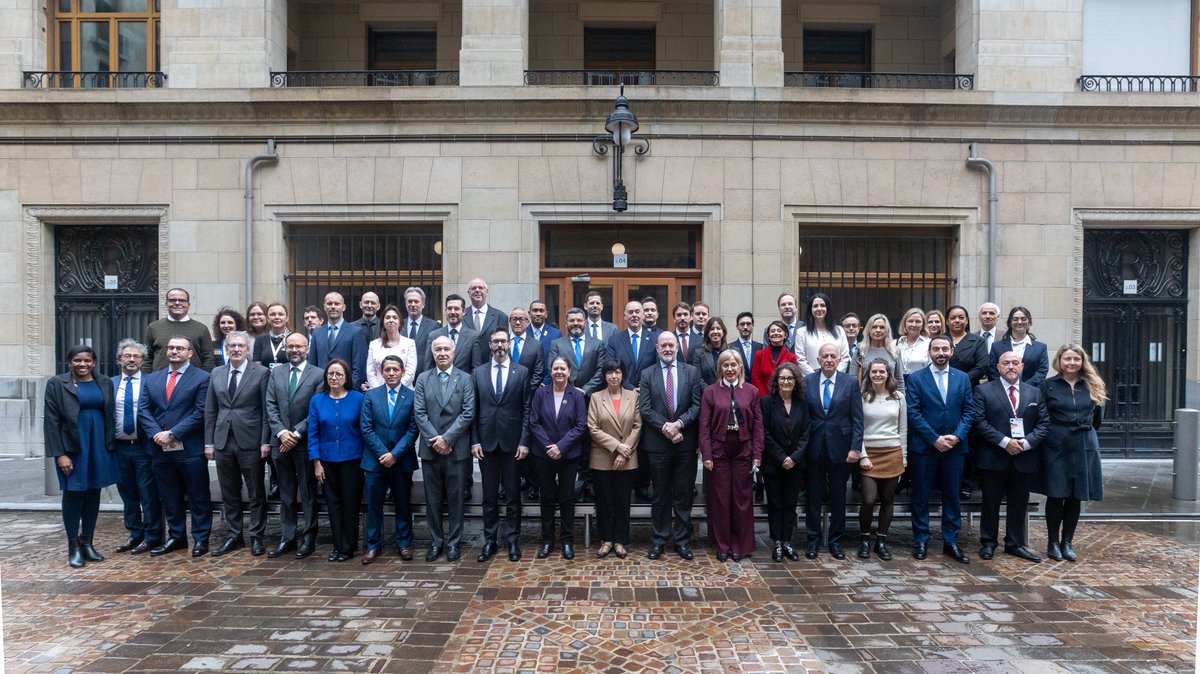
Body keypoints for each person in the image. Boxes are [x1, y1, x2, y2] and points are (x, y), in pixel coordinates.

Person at [972, 350, 1050, 563]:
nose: (1011, 366)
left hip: (1024, 458)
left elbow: (1044, 423)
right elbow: (979, 422)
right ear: (998, 367)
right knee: (991, 503)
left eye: (1015, 362)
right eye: (1006, 363)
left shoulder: (1034, 392)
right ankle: (988, 542)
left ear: (1022, 366)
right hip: (994, 456)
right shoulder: (983, 390)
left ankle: (1015, 543)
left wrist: (1026, 443)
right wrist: (1005, 442)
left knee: (1019, 503)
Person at [137, 336, 212, 557]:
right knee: (169, 496)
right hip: (159, 449)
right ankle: (177, 537)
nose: (174, 351)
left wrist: (173, 433)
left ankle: (201, 539)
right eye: (171, 347)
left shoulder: (202, 378)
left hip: (190, 448)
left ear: (190, 353)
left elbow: (200, 412)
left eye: (180, 348)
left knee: (198, 496)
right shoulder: (153, 378)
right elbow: (143, 410)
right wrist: (157, 434)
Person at [44, 344, 118, 567]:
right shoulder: (57, 384)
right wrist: (60, 454)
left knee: (93, 492)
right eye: (77, 360)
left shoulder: (104, 382)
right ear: (69, 362)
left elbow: (110, 414)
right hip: (72, 447)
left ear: (94, 362)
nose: (82, 364)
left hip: (99, 445)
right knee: (73, 493)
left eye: (87, 360)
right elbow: (51, 421)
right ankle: (73, 546)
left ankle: (88, 542)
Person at [906, 334, 975, 564]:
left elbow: (969, 411)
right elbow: (913, 412)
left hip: (955, 448)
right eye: (936, 349)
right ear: (929, 352)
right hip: (925, 447)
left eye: (945, 349)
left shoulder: (962, 378)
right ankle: (921, 540)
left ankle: (951, 540)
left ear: (952, 351)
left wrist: (957, 436)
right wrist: (934, 438)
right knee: (921, 495)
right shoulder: (916, 378)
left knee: (952, 495)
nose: (941, 353)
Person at [1035, 344, 1107, 563]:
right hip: (1056, 444)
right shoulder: (1047, 385)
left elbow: (1097, 419)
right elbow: (1040, 415)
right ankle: (1052, 542)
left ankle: (1067, 542)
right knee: (1056, 494)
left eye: (1076, 359)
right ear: (1059, 361)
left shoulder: (1093, 385)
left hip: (1083, 443)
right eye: (1067, 358)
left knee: (1076, 495)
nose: (1072, 363)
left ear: (1082, 361)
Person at [204, 331, 271, 557]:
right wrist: (209, 442)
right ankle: (234, 535)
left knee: (255, 492)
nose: (236, 349)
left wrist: (265, 441)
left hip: (251, 440)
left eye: (241, 345)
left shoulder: (261, 373)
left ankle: (256, 536)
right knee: (229, 491)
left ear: (248, 349)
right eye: (232, 345)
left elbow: (266, 410)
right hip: (223, 440)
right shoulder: (216, 373)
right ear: (226, 349)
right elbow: (210, 410)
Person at [638, 331, 704, 560]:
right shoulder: (647, 374)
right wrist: (666, 428)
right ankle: (659, 540)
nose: (667, 349)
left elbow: (696, 406)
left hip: (685, 443)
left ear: (677, 347)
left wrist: (679, 424)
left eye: (671, 345)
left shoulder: (691, 372)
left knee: (683, 495)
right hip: (657, 444)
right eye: (663, 345)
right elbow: (645, 408)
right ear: (657, 348)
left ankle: (682, 541)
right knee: (660, 495)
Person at [470, 328, 533, 563]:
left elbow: (527, 409)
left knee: (513, 495)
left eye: (503, 341)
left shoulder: (522, 372)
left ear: (509, 344)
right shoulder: (478, 372)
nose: (499, 345)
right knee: (489, 496)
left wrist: (524, 441)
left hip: (513, 444)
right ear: (490, 344)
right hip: (486, 444)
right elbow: (473, 410)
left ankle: (513, 541)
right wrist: (474, 440)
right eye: (495, 342)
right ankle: (490, 541)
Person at [413, 335, 476, 562]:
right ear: (432, 353)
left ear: (453, 352)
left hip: (456, 450)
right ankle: (436, 541)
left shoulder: (466, 379)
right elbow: (419, 413)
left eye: (446, 349)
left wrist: (447, 439)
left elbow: (468, 412)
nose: (442, 353)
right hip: (431, 451)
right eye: (438, 349)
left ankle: (454, 543)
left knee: (456, 500)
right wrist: (435, 440)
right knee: (433, 500)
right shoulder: (423, 378)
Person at [699, 350, 763, 561]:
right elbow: (704, 426)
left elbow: (758, 426)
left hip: (743, 449)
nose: (729, 369)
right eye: (725, 365)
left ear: (740, 367)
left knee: (741, 499)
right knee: (720, 499)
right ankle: (722, 544)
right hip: (719, 449)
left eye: (733, 365)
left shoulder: (752, 391)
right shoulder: (710, 392)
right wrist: (706, 454)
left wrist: (757, 454)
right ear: (720, 368)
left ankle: (740, 545)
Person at [264, 332, 324, 559]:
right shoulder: (276, 373)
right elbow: (270, 405)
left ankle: (309, 538)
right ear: (285, 349)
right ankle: (287, 538)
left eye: (299, 346)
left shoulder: (318, 374)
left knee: (308, 494)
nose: (294, 350)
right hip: (280, 443)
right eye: (290, 346)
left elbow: (316, 409)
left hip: (304, 443)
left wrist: (297, 433)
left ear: (307, 348)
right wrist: (281, 432)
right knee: (286, 494)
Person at [801, 343, 864, 560]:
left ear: (839, 359)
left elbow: (857, 419)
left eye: (833, 356)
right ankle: (813, 540)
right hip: (814, 447)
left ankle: (836, 541)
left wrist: (855, 448)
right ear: (818, 360)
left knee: (839, 497)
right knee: (813, 497)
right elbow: (804, 416)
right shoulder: (807, 381)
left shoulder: (850, 382)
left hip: (842, 448)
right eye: (825, 356)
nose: (829, 359)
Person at [360, 355, 419, 564]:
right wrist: (383, 453)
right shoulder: (371, 395)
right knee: (374, 505)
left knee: (403, 503)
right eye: (387, 370)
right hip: (375, 460)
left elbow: (413, 430)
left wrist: (395, 454)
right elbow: (366, 427)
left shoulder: (412, 396)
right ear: (381, 372)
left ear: (402, 372)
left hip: (401, 460)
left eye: (395, 369)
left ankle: (403, 543)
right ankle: (373, 545)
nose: (391, 373)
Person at [308, 359, 365, 562]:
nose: (334, 377)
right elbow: (313, 433)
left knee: (350, 503)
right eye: (330, 374)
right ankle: (337, 545)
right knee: (333, 504)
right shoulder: (317, 400)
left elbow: (364, 429)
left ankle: (349, 547)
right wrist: (316, 462)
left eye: (339, 374)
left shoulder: (358, 398)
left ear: (346, 377)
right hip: (327, 460)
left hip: (353, 460)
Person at [111, 339, 162, 556]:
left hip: (144, 447)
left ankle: (152, 535)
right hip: (119, 448)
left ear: (142, 361)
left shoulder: (152, 382)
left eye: (136, 356)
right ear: (119, 359)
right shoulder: (109, 383)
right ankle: (134, 533)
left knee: (148, 493)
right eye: (127, 356)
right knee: (128, 494)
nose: (132, 359)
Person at [587, 360, 641, 560]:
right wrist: (617, 446)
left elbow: (637, 426)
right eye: (610, 372)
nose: (614, 376)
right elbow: (592, 428)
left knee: (622, 501)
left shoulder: (633, 396)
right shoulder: (595, 397)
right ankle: (606, 540)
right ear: (604, 376)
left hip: (627, 458)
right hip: (602, 457)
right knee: (604, 501)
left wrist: (624, 452)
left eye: (617, 372)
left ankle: (620, 541)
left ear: (623, 375)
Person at [856, 359, 907, 561]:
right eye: (874, 371)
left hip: (892, 452)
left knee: (888, 500)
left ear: (888, 375)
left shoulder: (898, 397)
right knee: (868, 500)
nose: (878, 375)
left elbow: (903, 428)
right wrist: (862, 455)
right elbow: (857, 428)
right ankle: (864, 540)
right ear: (868, 374)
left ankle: (881, 541)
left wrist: (904, 456)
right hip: (869, 453)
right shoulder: (862, 396)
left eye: (882, 372)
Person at [759, 362, 807, 562]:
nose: (786, 381)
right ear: (776, 381)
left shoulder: (803, 403)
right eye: (782, 378)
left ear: (796, 381)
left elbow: (806, 433)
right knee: (775, 504)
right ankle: (777, 542)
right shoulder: (766, 403)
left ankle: (788, 541)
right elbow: (765, 433)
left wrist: (794, 457)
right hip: (773, 463)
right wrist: (782, 457)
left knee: (790, 504)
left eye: (790, 378)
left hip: (796, 464)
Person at [144, 288, 215, 371]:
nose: (177, 303)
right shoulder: (153, 327)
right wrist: (148, 377)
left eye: (182, 300)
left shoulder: (201, 329)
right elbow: (146, 357)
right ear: (166, 304)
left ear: (188, 304)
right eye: (172, 300)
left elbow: (208, 358)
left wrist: (204, 377)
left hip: (193, 378)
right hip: (160, 378)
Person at [308, 291, 367, 387]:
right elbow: (312, 364)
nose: (333, 306)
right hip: (321, 388)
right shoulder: (317, 333)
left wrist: (351, 387)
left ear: (343, 307)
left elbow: (359, 366)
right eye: (329, 303)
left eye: (337, 304)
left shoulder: (355, 332)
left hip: (346, 388)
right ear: (324, 307)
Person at [988, 306, 1049, 386]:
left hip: (1031, 390)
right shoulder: (996, 347)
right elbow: (992, 370)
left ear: (1029, 322)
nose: (1019, 322)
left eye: (1023, 319)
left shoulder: (1040, 348)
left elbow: (1042, 371)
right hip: (1002, 390)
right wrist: (1006, 387)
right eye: (1015, 319)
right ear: (1010, 322)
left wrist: (1025, 388)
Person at [548, 307, 604, 393]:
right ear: (566, 323)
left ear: (585, 323)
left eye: (579, 320)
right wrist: (570, 389)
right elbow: (551, 369)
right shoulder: (556, 344)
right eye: (572, 321)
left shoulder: (598, 344)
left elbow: (601, 370)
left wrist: (586, 389)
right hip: (565, 393)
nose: (575, 323)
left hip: (591, 394)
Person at [604, 300, 656, 389]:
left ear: (643, 315)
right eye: (630, 312)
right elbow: (610, 366)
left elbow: (657, 366)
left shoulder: (654, 339)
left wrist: (645, 385)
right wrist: (629, 388)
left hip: (648, 390)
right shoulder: (614, 340)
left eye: (637, 312)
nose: (634, 315)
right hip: (622, 391)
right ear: (625, 316)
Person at [795, 293, 850, 376]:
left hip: (836, 378)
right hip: (811, 378)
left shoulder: (839, 330)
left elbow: (845, 357)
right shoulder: (801, 332)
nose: (819, 308)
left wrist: (834, 376)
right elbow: (801, 360)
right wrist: (816, 377)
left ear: (828, 308)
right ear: (810, 309)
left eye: (822, 305)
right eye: (815, 306)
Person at [847, 314, 904, 392]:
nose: (878, 330)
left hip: (890, 396)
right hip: (865, 396)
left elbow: (899, 380)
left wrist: (901, 397)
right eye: (874, 327)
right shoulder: (860, 350)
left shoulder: (894, 351)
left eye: (882, 327)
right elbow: (852, 377)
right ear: (869, 330)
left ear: (887, 330)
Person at [366, 304, 418, 389]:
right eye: (387, 317)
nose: (391, 320)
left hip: (403, 391)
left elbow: (410, 373)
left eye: (394, 317)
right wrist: (380, 391)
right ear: (383, 323)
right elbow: (370, 372)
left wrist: (395, 389)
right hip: (378, 392)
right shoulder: (374, 345)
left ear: (400, 323)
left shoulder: (409, 343)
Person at [426, 294, 479, 374]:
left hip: (463, 381)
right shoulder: (433, 336)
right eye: (449, 308)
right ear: (445, 311)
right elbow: (428, 367)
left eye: (456, 309)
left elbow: (476, 368)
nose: (452, 312)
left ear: (464, 312)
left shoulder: (473, 336)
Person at [497, 307, 545, 392]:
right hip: (503, 393)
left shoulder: (536, 345)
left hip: (528, 394)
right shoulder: (500, 342)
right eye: (514, 319)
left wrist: (526, 391)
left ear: (527, 321)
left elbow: (538, 373)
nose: (517, 323)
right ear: (509, 321)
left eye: (521, 319)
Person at [465, 278, 509, 366]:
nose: (477, 290)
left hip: (492, 366)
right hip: (466, 368)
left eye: (480, 288)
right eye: (473, 288)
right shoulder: (462, 316)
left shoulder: (500, 316)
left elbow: (504, 344)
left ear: (487, 291)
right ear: (469, 293)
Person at [751, 320, 798, 396]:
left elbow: (792, 379)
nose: (776, 333)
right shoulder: (759, 354)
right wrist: (764, 397)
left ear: (785, 335)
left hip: (784, 397)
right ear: (768, 336)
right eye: (772, 331)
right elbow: (755, 377)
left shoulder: (791, 357)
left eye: (779, 331)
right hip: (763, 398)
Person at [946, 305, 989, 386]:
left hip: (969, 385)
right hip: (943, 384)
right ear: (947, 322)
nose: (957, 320)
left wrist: (962, 379)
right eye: (952, 318)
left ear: (966, 321)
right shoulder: (939, 340)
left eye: (961, 318)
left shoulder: (978, 341)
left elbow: (982, 366)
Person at [402, 287, 438, 376]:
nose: (413, 304)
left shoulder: (433, 326)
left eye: (416, 301)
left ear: (423, 304)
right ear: (405, 304)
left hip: (424, 375)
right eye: (410, 301)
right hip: (402, 375)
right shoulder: (399, 325)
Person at [527, 299, 562, 383]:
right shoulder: (523, 333)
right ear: (529, 313)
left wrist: (546, 382)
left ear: (546, 314)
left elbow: (557, 360)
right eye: (535, 310)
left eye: (541, 311)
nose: (538, 313)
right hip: (526, 383)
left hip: (548, 383)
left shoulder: (555, 334)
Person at [690, 316, 731, 385]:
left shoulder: (733, 351)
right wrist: (710, 391)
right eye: (711, 329)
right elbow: (698, 379)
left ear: (723, 332)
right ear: (707, 333)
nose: (715, 331)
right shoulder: (698, 354)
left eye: (718, 328)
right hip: (707, 391)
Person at [253, 302, 292, 369]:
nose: (277, 317)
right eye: (272, 314)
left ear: (287, 318)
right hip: (266, 375)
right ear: (267, 318)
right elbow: (257, 367)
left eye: (280, 314)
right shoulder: (260, 339)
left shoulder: (294, 338)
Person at [895, 307, 930, 379]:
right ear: (904, 323)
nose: (914, 325)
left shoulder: (929, 343)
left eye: (918, 321)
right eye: (910, 321)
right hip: (898, 384)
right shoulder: (895, 344)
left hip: (920, 383)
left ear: (923, 325)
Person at [731, 312, 763, 379]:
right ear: (737, 327)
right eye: (742, 324)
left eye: (748, 324)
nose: (745, 327)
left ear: (752, 325)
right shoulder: (730, 348)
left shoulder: (761, 347)